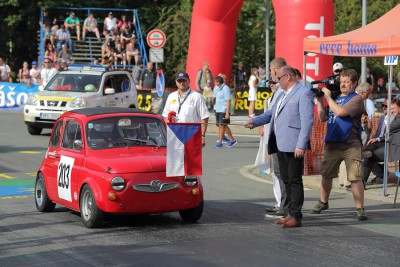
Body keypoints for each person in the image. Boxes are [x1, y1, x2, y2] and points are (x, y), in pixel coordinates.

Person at [244, 65, 315, 228]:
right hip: (279, 142)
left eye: (279, 78)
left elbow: (307, 122)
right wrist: (254, 121)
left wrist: (301, 144)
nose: (277, 81)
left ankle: (296, 216)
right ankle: (290, 212)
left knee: (294, 180)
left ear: (288, 77)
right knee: (286, 179)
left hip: (294, 144)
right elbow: (271, 114)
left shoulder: (303, 93)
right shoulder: (281, 94)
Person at [312, 69, 367, 221]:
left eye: (346, 82)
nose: (343, 84)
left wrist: (329, 98)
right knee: (326, 174)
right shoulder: (334, 97)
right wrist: (319, 101)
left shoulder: (356, 99)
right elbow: (323, 117)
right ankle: (323, 202)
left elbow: (341, 112)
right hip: (332, 143)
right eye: (341, 81)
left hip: (350, 144)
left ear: (354, 83)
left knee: (355, 178)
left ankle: (360, 208)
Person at [254, 80, 283, 215]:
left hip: (280, 139)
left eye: (273, 82)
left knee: (281, 173)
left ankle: (283, 204)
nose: (271, 85)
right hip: (269, 138)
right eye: (270, 83)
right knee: (273, 172)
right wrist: (259, 125)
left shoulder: (283, 95)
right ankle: (279, 202)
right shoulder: (269, 99)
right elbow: (267, 115)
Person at [162, 70, 210, 147]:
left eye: (184, 80)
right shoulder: (171, 96)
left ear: (189, 81)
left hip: (192, 134)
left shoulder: (197, 96)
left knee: (191, 159)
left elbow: (204, 117)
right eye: (179, 81)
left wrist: (202, 136)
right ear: (176, 82)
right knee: (174, 158)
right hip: (174, 134)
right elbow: (165, 115)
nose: (181, 83)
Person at [362, 99, 397, 185]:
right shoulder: (382, 117)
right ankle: (379, 173)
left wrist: (376, 139)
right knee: (368, 151)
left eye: (386, 106)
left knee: (369, 156)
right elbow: (377, 132)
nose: (384, 108)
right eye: (383, 105)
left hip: (389, 143)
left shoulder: (395, 118)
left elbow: (390, 135)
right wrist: (372, 140)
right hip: (380, 142)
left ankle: (362, 181)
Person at [213, 76, 237, 148]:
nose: (214, 83)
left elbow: (228, 101)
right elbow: (214, 96)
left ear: (218, 82)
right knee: (222, 125)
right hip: (217, 109)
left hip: (223, 109)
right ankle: (232, 140)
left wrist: (227, 112)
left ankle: (220, 142)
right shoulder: (216, 88)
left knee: (222, 125)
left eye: (215, 81)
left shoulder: (226, 88)